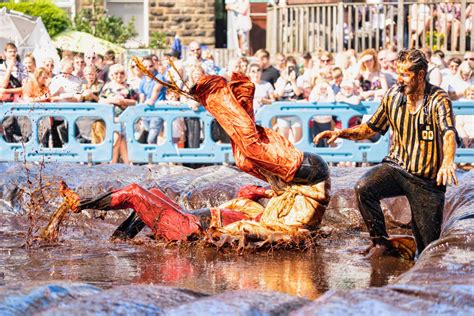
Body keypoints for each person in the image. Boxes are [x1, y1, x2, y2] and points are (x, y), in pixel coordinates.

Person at [60, 71, 332, 249]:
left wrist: (264, 195)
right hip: (308, 177)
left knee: (246, 154)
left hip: (304, 174)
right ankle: (237, 94)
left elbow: (247, 202)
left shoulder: (187, 229)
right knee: (247, 154)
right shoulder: (264, 222)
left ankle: (82, 208)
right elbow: (248, 196)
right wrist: (266, 192)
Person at [314, 48, 458, 259]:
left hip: (427, 181)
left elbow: (448, 133)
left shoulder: (438, 99)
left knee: (428, 248)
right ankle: (380, 243)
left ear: (420, 75)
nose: (399, 80)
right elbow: (370, 128)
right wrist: (341, 133)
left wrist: (447, 161)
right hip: (396, 168)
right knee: (364, 187)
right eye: (398, 73)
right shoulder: (393, 95)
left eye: (405, 74)